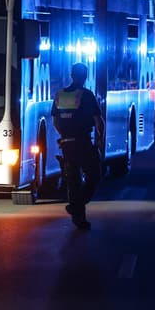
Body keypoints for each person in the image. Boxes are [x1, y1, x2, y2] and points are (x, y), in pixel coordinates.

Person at [51, 62, 104, 230]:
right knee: (94, 175)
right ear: (85, 77)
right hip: (83, 141)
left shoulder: (60, 95)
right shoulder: (87, 95)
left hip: (66, 143)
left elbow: (55, 121)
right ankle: (77, 205)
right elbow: (98, 120)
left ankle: (78, 218)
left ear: (71, 75)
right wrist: (100, 139)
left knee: (73, 180)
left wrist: (64, 136)